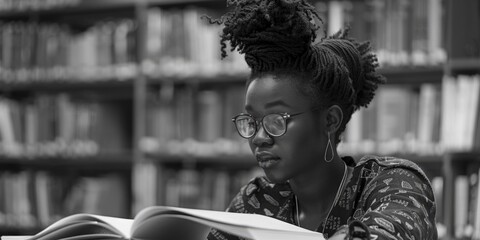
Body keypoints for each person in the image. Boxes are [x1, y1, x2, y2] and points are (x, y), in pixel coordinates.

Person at [205, 0, 437, 239]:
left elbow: (390, 231)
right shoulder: (257, 201)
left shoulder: (392, 182)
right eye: (252, 121)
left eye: (276, 120)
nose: (259, 138)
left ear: (330, 121)